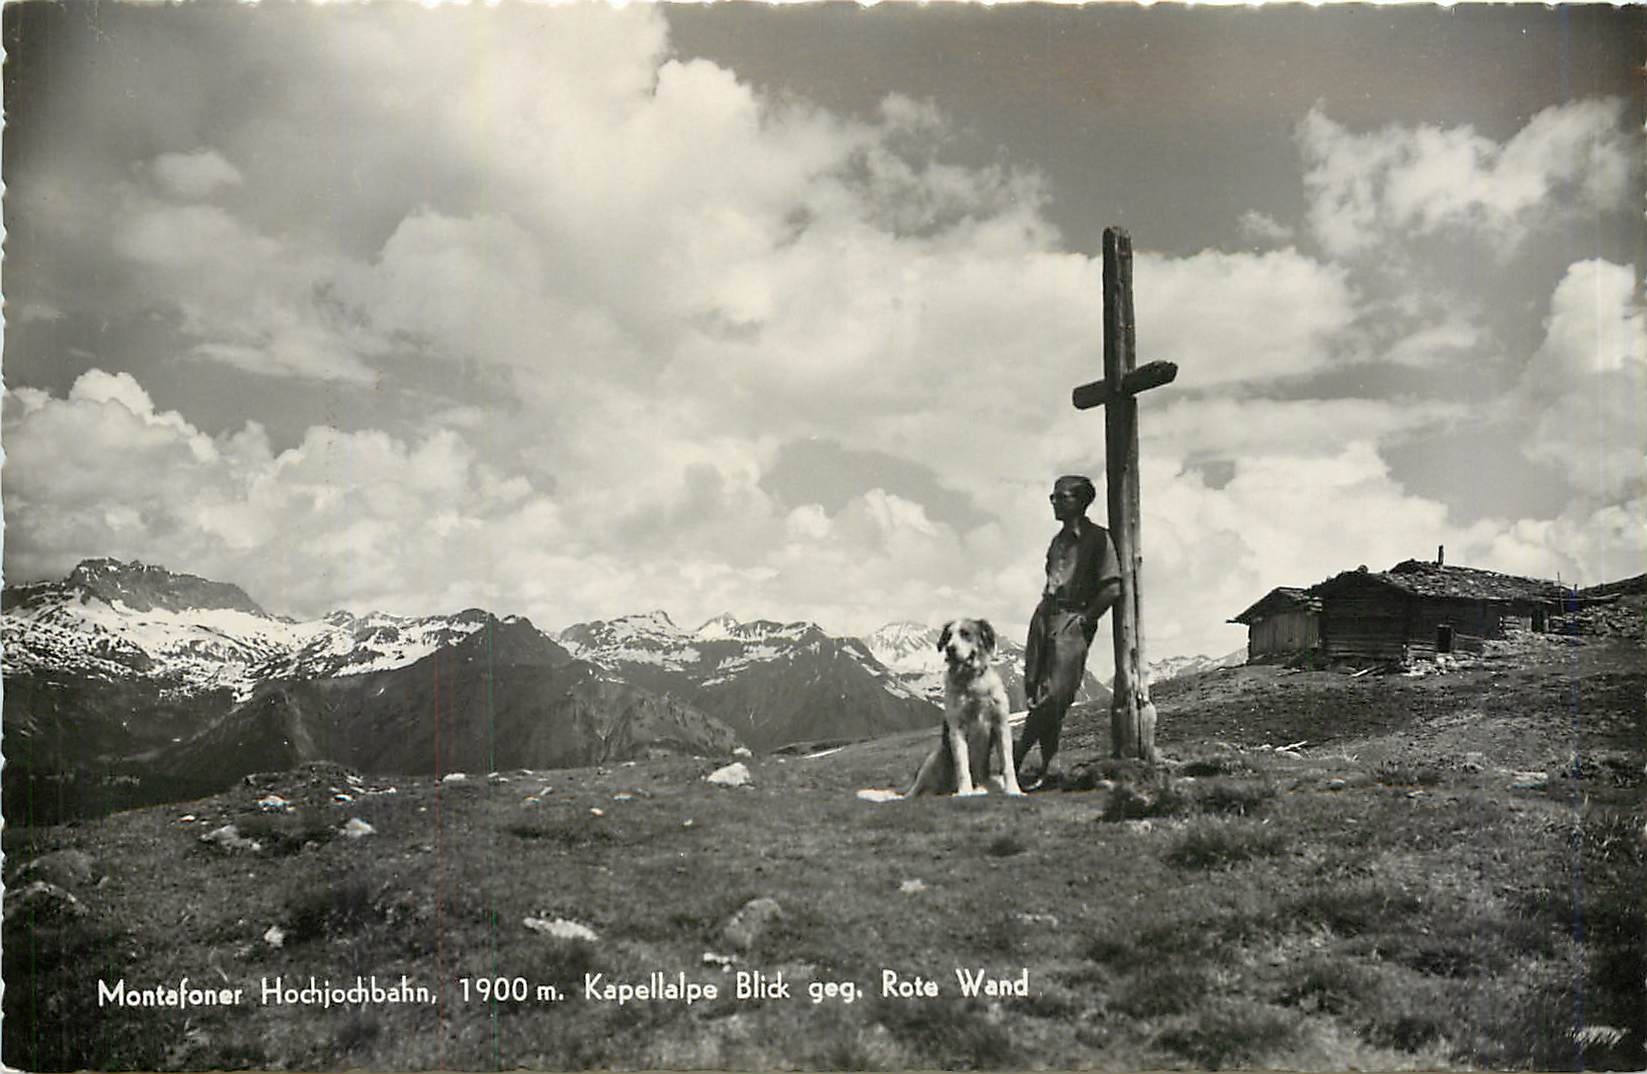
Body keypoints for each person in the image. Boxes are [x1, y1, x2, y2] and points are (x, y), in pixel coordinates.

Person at [1016, 474, 1121, 789]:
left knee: (1057, 695)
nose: (1055, 503)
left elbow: (1112, 588)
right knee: (1037, 691)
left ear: (1080, 501)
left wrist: (1085, 621)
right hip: (1044, 616)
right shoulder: (1057, 541)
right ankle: (1048, 769)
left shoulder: (1098, 539)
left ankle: (1015, 754)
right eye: (1053, 497)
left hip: (1072, 619)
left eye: (1061, 497)